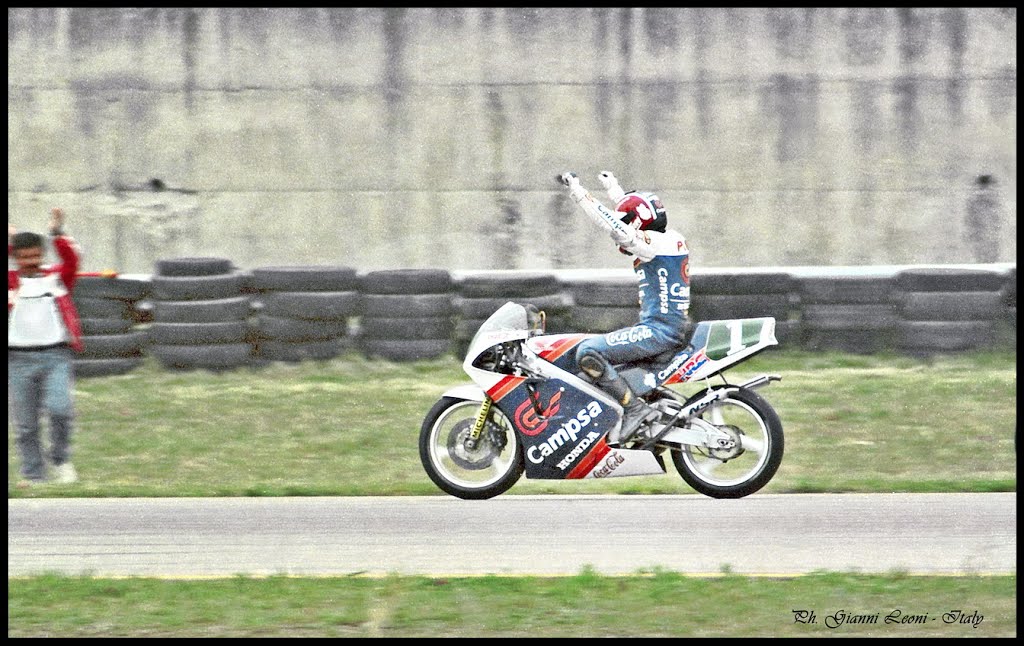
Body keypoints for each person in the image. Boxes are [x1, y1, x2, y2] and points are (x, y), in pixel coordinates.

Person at [557, 171, 691, 447]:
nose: (624, 232)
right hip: (668, 327)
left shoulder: (651, 245)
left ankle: (634, 410)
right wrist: (613, 188)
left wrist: (578, 192)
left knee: (588, 352)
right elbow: (634, 211)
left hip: (659, 331)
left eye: (629, 223)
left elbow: (612, 223)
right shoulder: (669, 238)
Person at [8, 207, 83, 485]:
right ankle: (33, 474)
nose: (31, 261)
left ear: (43, 254)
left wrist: (56, 232)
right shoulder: (10, 281)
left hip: (55, 356)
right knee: (26, 425)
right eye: (24, 256)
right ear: (15, 257)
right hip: (17, 359)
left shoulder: (56, 279)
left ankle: (61, 460)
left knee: (60, 409)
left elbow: (73, 259)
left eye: (36, 255)